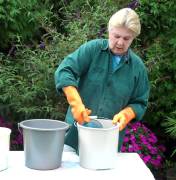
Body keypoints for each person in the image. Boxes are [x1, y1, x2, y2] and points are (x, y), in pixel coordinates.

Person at [54, 8, 150, 152]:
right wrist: (75, 102)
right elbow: (65, 70)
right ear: (109, 30)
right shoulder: (93, 50)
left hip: (108, 141)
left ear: (133, 38)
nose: (120, 42)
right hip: (74, 135)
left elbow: (140, 102)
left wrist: (127, 113)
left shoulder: (137, 67)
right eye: (116, 35)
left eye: (126, 38)